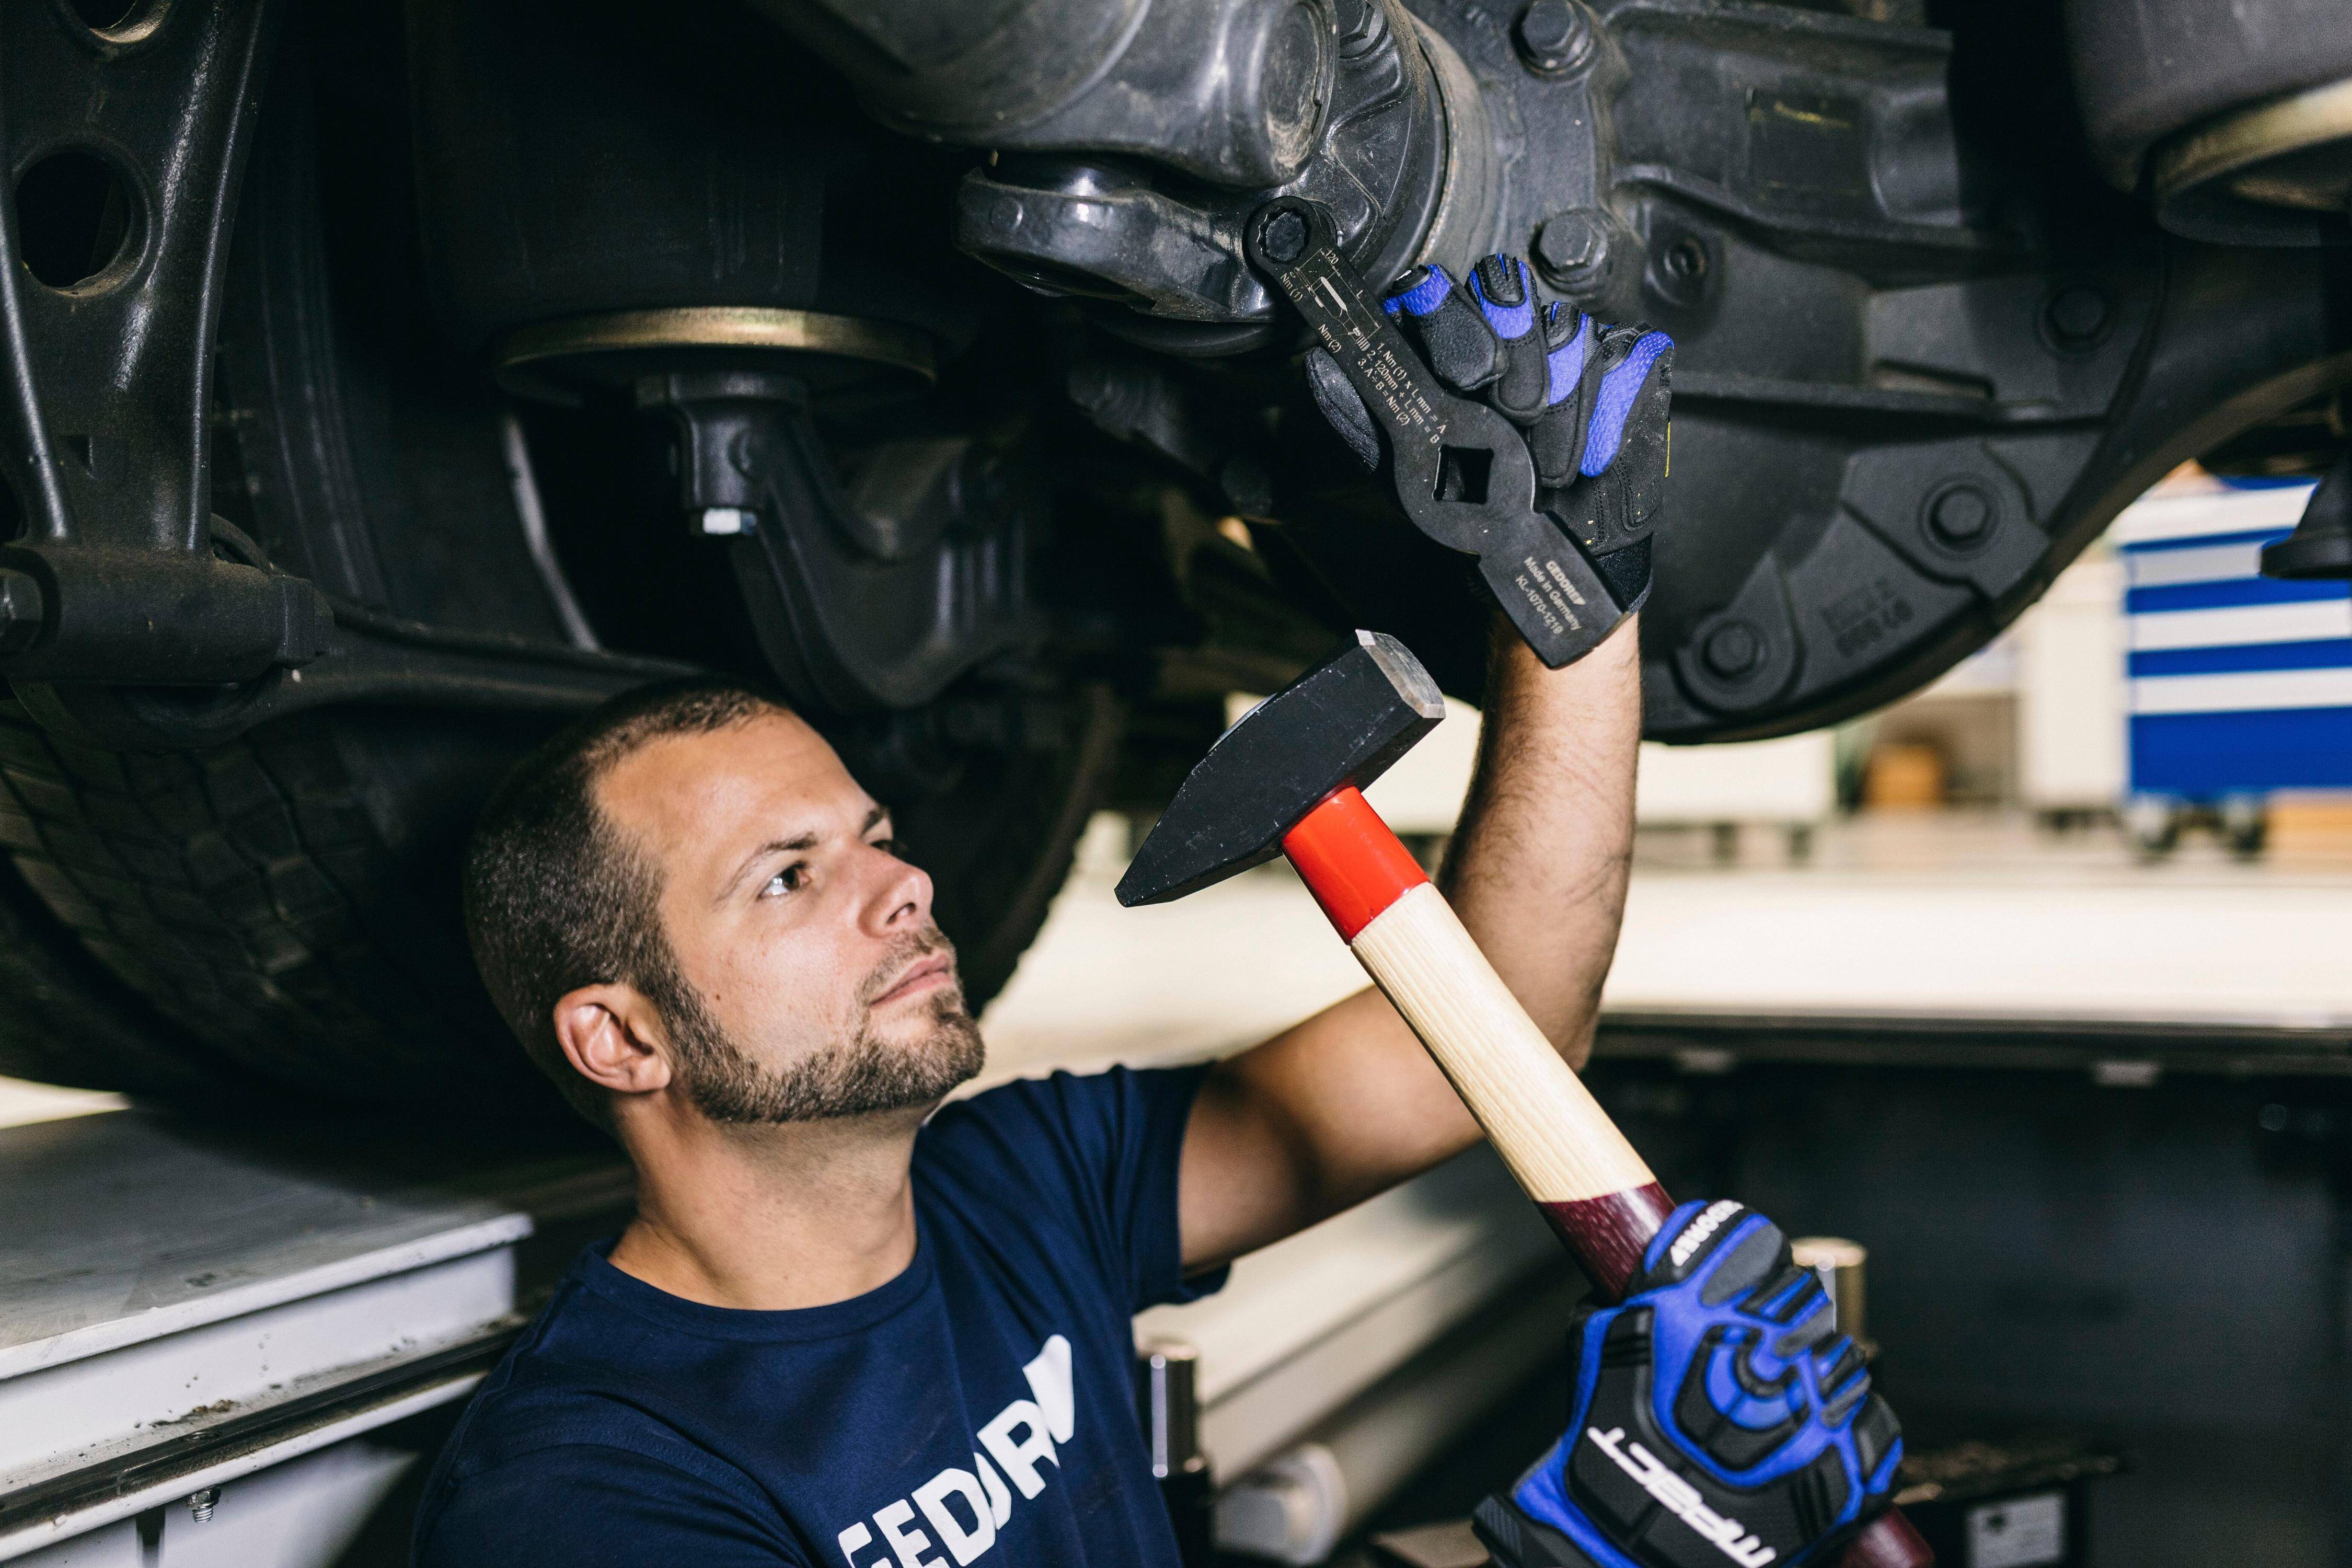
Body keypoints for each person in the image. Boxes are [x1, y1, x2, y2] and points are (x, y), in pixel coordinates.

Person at [415, 251, 1898, 1568]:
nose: (906, 882)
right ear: (620, 1037)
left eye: (876, 836)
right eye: (790, 875)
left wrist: (1576, 613)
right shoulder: (585, 1493)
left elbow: (1501, 1027)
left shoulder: (1013, 1188)